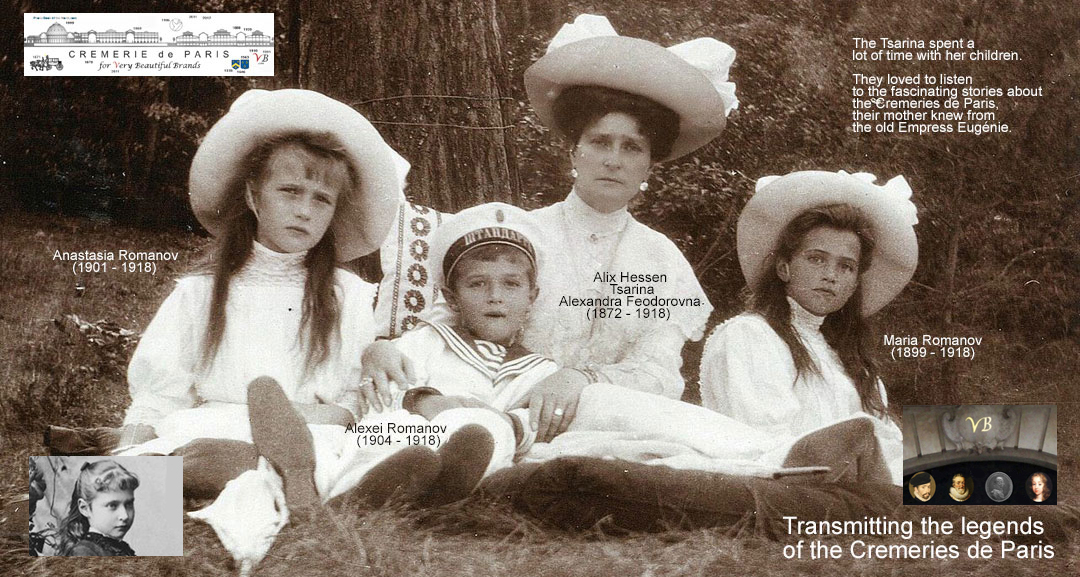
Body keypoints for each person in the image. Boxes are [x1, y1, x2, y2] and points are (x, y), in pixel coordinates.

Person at [361, 14, 737, 443]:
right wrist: (382, 348)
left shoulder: (661, 259)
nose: (613, 160)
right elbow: (447, 322)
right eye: (599, 142)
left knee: (644, 420)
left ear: (650, 164)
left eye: (631, 147)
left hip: (602, 418)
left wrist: (582, 378)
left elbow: (660, 374)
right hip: (505, 407)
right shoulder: (523, 234)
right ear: (573, 152)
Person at [114, 88, 411, 504]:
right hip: (214, 428)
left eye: (321, 199)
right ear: (253, 195)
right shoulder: (199, 294)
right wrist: (128, 450)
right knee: (157, 457)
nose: (305, 210)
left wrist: (297, 421)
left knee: (351, 449)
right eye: (290, 191)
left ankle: (257, 476)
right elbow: (159, 396)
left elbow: (349, 401)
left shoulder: (346, 294)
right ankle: (235, 476)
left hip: (313, 432)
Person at [699, 170, 919, 485]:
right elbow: (765, 443)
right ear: (784, 267)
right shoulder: (748, 335)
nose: (831, 275)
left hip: (860, 485)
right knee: (862, 434)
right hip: (787, 484)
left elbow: (891, 448)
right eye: (816, 260)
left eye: (846, 266)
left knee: (990, 446)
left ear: (855, 281)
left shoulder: (848, 357)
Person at [56, 460, 139, 556]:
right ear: (85, 508)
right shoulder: (84, 552)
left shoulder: (120, 548)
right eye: (112, 506)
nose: (124, 516)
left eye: (128, 504)